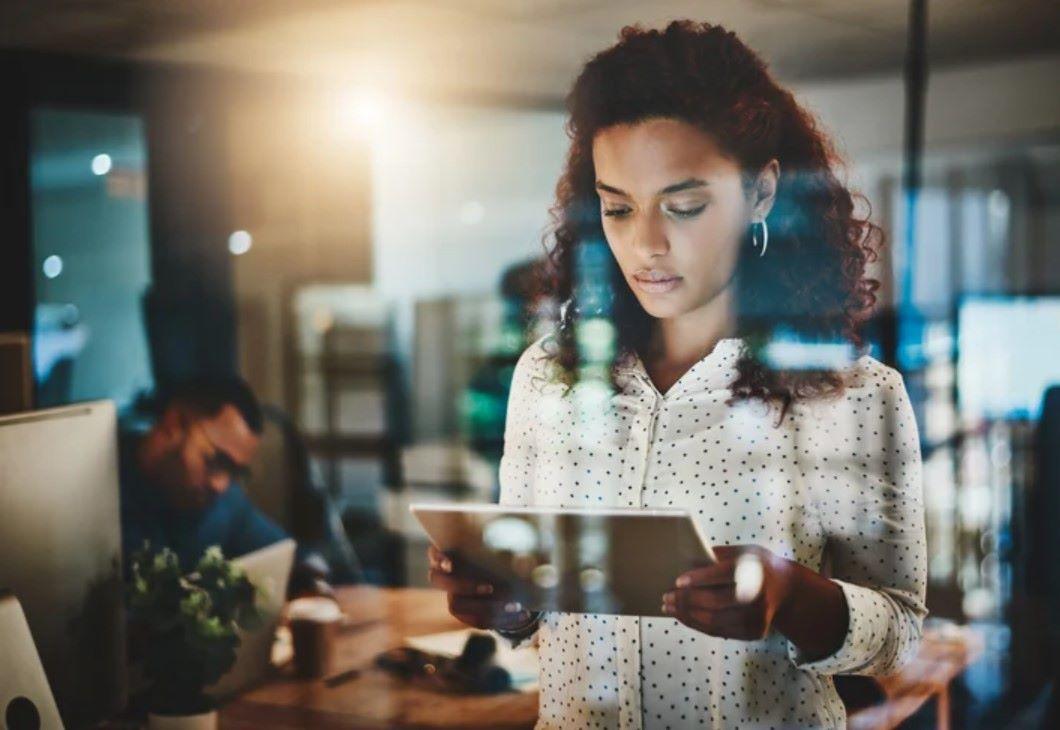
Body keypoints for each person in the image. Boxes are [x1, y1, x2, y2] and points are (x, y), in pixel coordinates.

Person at [428, 21, 927, 729]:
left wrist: (791, 593)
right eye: (617, 207)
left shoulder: (854, 396)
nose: (645, 243)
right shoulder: (548, 379)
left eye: (684, 205)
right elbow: (532, 612)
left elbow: (899, 634)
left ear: (760, 194)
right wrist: (498, 600)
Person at [119, 375, 328, 594]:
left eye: (234, 472)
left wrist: (314, 575)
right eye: (216, 461)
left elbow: (292, 556)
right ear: (175, 423)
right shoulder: (105, 497)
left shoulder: (224, 503)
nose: (221, 485)